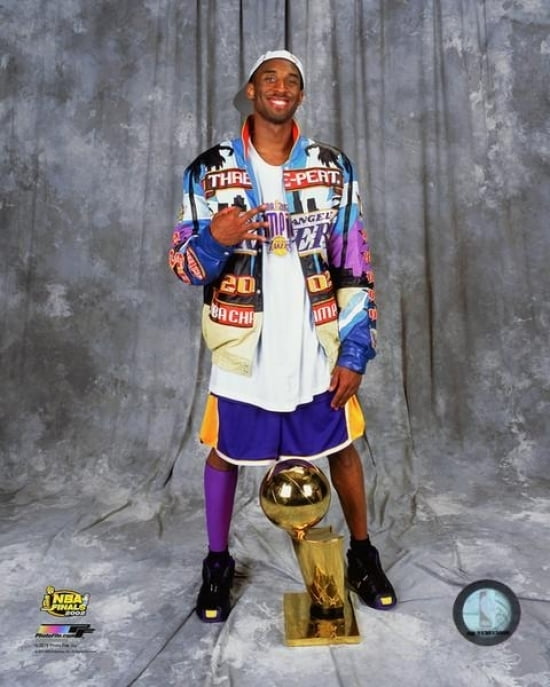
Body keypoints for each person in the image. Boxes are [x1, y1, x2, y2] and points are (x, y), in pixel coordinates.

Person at [169, 50, 397, 623]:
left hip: (315, 339)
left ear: (300, 95)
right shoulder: (207, 170)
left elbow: (354, 263)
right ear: (251, 90)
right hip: (243, 342)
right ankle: (218, 562)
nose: (281, 86)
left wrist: (355, 348)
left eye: (292, 79)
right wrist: (214, 240)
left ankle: (363, 556)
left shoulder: (333, 166)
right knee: (224, 453)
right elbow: (185, 269)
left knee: (341, 445)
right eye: (269, 77)